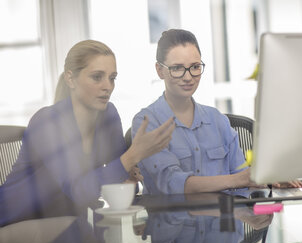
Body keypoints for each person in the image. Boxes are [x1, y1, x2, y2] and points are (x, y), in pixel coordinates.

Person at [0, 40, 175, 227]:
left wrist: (132, 176)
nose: (108, 86)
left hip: (69, 222)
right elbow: (79, 191)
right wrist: (132, 156)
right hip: (16, 222)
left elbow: (122, 179)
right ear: (70, 78)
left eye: (112, 78)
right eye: (97, 77)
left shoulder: (108, 115)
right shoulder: (47, 122)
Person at [131, 29, 302, 194]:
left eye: (195, 67)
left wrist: (267, 181)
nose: (187, 76)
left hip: (223, 222)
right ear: (159, 70)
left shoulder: (217, 120)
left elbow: (243, 180)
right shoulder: (147, 122)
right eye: (177, 68)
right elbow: (171, 183)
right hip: (172, 222)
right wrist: (239, 179)